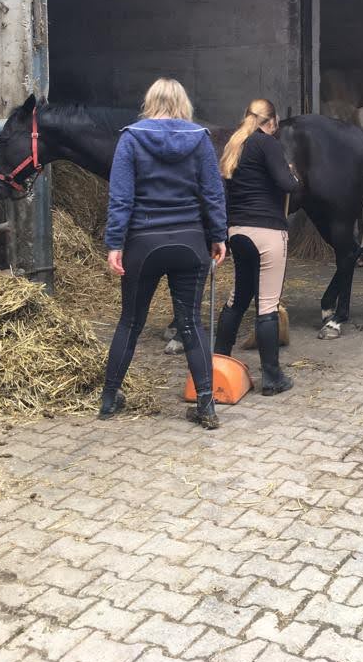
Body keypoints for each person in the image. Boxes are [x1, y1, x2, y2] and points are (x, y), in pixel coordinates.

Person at [102, 78, 228, 429]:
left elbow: (121, 197)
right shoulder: (200, 139)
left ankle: (109, 399)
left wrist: (115, 244)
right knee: (191, 323)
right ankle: (207, 405)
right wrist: (219, 235)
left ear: (150, 102)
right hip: (190, 242)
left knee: (130, 321)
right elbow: (213, 192)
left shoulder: (131, 138)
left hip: (144, 243)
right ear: (183, 104)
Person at [215, 98, 298, 395]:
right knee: (267, 305)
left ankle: (218, 364)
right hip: (267, 232)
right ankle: (272, 377)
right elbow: (287, 184)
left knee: (238, 298)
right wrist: (292, 174)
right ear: (272, 121)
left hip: (238, 232)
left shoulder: (235, 144)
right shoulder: (267, 143)